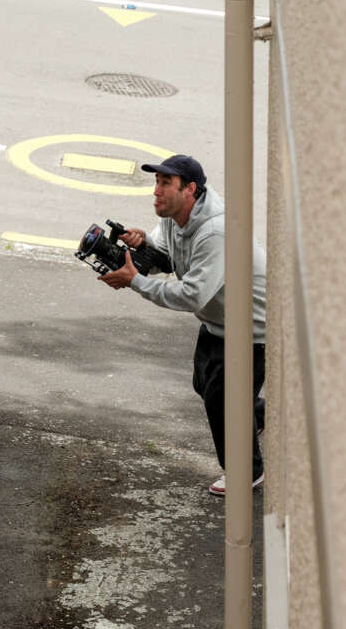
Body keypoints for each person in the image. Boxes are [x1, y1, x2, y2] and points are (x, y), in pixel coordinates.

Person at [99, 153, 267, 494]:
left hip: (252, 328)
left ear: (190, 189)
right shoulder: (175, 219)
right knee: (203, 384)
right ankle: (256, 416)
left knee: (221, 400)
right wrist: (143, 244)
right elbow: (166, 256)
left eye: (166, 184)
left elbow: (193, 295)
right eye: (156, 183)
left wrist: (135, 281)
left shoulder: (217, 232)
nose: (157, 192)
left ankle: (246, 472)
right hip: (219, 321)